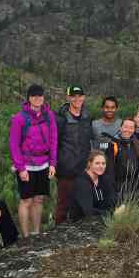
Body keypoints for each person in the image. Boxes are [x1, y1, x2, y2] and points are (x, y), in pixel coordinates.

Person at [8, 84, 58, 242]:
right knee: (26, 200)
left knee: (39, 199)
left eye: (40, 96)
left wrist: (53, 163)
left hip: (43, 164)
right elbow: (14, 145)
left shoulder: (49, 116)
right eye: (34, 96)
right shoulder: (19, 118)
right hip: (26, 165)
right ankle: (25, 237)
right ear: (29, 98)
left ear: (43, 97)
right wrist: (21, 168)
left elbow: (53, 139)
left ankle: (36, 233)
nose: (38, 98)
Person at [54, 85, 93, 224]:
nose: (77, 99)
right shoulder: (60, 118)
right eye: (73, 96)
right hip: (66, 169)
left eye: (80, 96)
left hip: (83, 169)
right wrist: (55, 164)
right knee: (63, 206)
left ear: (84, 97)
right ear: (68, 97)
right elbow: (54, 143)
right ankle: (58, 232)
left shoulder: (87, 117)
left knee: (81, 205)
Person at [68, 150, 115, 221]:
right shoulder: (82, 182)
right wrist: (111, 214)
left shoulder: (104, 179)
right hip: (80, 222)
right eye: (97, 163)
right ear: (89, 164)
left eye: (103, 163)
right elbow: (88, 211)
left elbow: (111, 200)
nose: (101, 166)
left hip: (101, 219)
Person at [115, 118, 139, 203]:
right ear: (120, 128)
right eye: (125, 127)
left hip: (135, 187)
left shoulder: (137, 143)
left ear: (134, 130)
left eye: (131, 128)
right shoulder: (113, 143)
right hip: (118, 188)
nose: (128, 130)